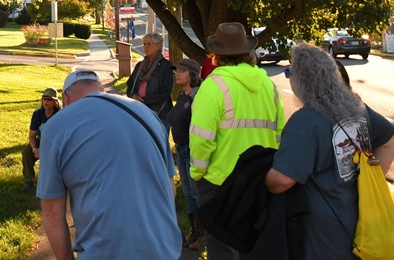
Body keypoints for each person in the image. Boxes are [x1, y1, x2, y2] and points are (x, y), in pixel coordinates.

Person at [265, 43, 394, 259]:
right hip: (363, 225)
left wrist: (262, 182)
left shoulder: (305, 121)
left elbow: (281, 180)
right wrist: (370, 178)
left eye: (289, 71)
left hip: (324, 239)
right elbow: (389, 138)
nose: (288, 76)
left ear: (302, 79)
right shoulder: (358, 109)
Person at [37, 70, 181, 259]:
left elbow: (52, 214)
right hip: (164, 248)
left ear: (65, 98)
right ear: (100, 89)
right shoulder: (147, 114)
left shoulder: (56, 127)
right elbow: (170, 189)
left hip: (104, 252)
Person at [189, 22, 285, 260]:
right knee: (253, 247)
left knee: (223, 249)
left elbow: (201, 139)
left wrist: (197, 174)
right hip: (260, 179)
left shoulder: (213, 86)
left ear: (216, 55)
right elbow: (280, 133)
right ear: (246, 51)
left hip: (219, 181)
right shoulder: (267, 85)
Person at [167, 58, 204, 248]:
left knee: (197, 193)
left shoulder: (198, 96)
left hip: (192, 150)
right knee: (189, 193)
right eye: (176, 70)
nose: (177, 73)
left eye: (182, 71)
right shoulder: (182, 95)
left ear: (193, 75)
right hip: (181, 149)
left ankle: (203, 234)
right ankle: (194, 231)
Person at [126, 32, 173, 133]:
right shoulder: (140, 65)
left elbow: (166, 92)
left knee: (159, 145)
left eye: (149, 44)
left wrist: (145, 101)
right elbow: (130, 85)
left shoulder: (166, 66)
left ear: (158, 46)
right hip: (140, 111)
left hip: (160, 113)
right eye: (144, 44)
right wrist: (133, 95)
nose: (145, 47)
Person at [21, 87, 61, 193]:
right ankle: (29, 182)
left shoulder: (60, 115)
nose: (46, 102)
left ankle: (52, 184)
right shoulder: (38, 113)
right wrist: (35, 149)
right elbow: (32, 135)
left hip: (56, 144)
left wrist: (44, 149)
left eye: (50, 99)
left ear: (56, 102)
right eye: (44, 98)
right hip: (40, 141)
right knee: (26, 152)